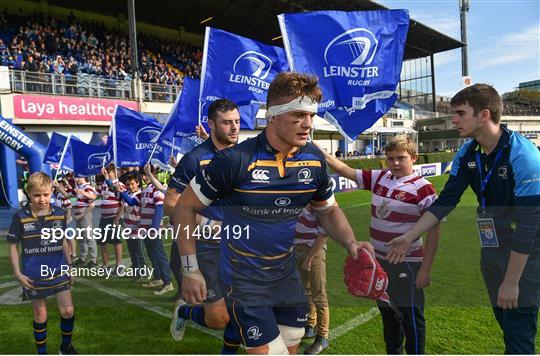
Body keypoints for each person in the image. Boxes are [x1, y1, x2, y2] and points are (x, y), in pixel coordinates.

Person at [176, 72, 373, 354]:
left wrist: (351, 242)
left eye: (311, 117)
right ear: (273, 116)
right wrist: (190, 269)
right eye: (298, 116)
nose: (307, 125)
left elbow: (327, 211)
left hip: (286, 275)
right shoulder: (235, 160)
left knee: (291, 346)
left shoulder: (314, 159)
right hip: (244, 280)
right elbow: (184, 206)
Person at [387, 84, 540, 354]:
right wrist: (409, 236)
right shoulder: (467, 153)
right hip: (491, 249)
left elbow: (529, 225)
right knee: (508, 326)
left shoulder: (524, 155)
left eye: (460, 113)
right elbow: (445, 202)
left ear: (483, 115)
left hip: (525, 255)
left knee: (518, 336)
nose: (454, 120)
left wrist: (512, 281)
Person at [322, 135, 440, 354]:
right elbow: (346, 170)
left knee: (411, 317)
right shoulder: (380, 177)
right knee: (389, 316)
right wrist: (321, 153)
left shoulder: (423, 188)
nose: (394, 163)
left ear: (413, 158)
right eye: (390, 158)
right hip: (380, 263)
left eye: (401, 158)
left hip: (408, 263)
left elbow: (434, 230)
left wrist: (426, 268)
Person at [166, 99, 242, 354]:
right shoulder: (194, 159)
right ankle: (185, 311)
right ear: (211, 124)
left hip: (240, 244)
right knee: (218, 318)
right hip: (207, 247)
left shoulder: (244, 156)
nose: (234, 127)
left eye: (237, 122)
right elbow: (171, 204)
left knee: (242, 309)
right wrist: (208, 223)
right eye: (226, 122)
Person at [7, 172, 77, 354]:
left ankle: (65, 348)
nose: (41, 199)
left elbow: (62, 241)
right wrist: (18, 273)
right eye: (37, 195)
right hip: (33, 275)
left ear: (52, 191)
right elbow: (13, 246)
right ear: (28, 193)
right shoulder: (20, 216)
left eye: (45, 194)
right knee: (40, 315)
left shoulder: (60, 214)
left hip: (59, 270)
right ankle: (42, 353)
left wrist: (70, 266)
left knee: (68, 311)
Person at [293, 204, 330, 354]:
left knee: (319, 294)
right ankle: (310, 324)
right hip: (298, 248)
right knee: (305, 290)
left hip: (314, 252)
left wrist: (309, 258)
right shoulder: (301, 195)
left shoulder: (320, 200)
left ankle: (323, 337)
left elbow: (324, 233)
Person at [97, 165, 124, 273]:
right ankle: (105, 265)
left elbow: (123, 203)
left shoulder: (119, 184)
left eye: (107, 172)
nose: (105, 174)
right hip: (104, 217)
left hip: (114, 217)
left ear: (113, 172)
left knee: (116, 241)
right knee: (101, 241)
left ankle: (118, 265)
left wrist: (117, 218)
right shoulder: (104, 184)